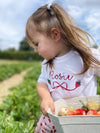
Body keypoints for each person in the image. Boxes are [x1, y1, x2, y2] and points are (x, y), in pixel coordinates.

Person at [25, 3, 100, 133]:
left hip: (81, 119)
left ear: (55, 35)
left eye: (37, 44)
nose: (36, 50)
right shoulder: (47, 63)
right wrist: (46, 97)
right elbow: (41, 82)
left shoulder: (86, 56)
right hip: (54, 118)